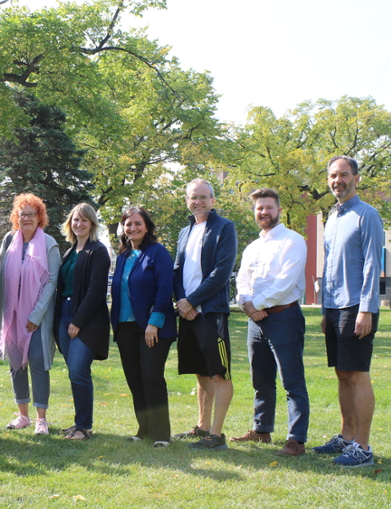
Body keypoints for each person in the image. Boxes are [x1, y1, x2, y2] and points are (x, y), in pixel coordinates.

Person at [313, 155, 384, 467]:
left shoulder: (366, 215)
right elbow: (329, 267)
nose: (337, 180)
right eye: (332, 176)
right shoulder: (333, 217)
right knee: (342, 374)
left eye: (343, 175)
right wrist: (325, 309)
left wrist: (366, 310)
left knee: (357, 375)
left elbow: (372, 264)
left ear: (356, 178)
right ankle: (346, 436)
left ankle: (363, 447)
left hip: (357, 306)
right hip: (334, 306)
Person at [230, 188, 309, 457]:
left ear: (279, 210)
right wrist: (247, 305)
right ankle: (261, 430)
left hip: (284, 316)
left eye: (268, 207)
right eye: (259, 208)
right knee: (261, 378)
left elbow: (286, 282)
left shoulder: (293, 241)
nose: (263, 212)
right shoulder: (253, 246)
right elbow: (242, 280)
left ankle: (296, 439)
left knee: (292, 380)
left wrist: (257, 304)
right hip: (256, 321)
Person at [172, 179, 237, 450]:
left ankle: (217, 434)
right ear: (187, 201)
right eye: (192, 197)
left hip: (211, 312)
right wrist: (181, 302)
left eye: (203, 197)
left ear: (212, 200)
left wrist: (193, 301)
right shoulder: (184, 232)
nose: (197, 201)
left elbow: (221, 272)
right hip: (188, 314)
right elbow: (176, 271)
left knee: (218, 373)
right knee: (200, 372)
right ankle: (202, 426)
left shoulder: (225, 227)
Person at [0, 194, 60, 435]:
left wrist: (37, 314)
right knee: (15, 365)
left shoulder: (49, 243)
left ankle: (41, 419)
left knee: (38, 363)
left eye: (32, 214)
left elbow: (52, 281)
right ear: (16, 217)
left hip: (36, 318)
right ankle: (22, 416)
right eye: (23, 214)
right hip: (11, 314)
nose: (27, 218)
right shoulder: (10, 240)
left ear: (39, 217)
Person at [110, 207, 177, 448]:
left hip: (152, 328)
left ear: (147, 227)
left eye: (138, 223)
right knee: (135, 378)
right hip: (126, 327)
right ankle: (144, 428)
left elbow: (164, 287)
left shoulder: (157, 253)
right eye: (128, 224)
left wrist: (154, 322)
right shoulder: (123, 256)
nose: (133, 228)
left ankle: (161, 434)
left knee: (151, 376)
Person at [55, 203, 110, 440]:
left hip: (86, 320)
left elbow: (96, 292)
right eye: (76, 220)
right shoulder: (69, 252)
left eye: (85, 220)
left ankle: (84, 426)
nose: (79, 224)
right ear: (70, 223)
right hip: (63, 316)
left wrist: (77, 321)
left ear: (92, 224)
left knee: (78, 370)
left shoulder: (98, 251)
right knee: (73, 372)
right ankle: (78, 423)